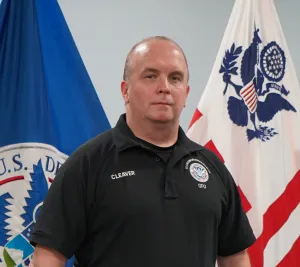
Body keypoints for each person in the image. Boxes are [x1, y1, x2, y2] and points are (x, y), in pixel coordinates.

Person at [30, 36, 256, 267]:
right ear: (125, 91)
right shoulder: (87, 164)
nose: (164, 87)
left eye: (175, 78)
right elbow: (48, 256)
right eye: (150, 76)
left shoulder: (212, 167)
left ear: (186, 94)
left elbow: (235, 256)